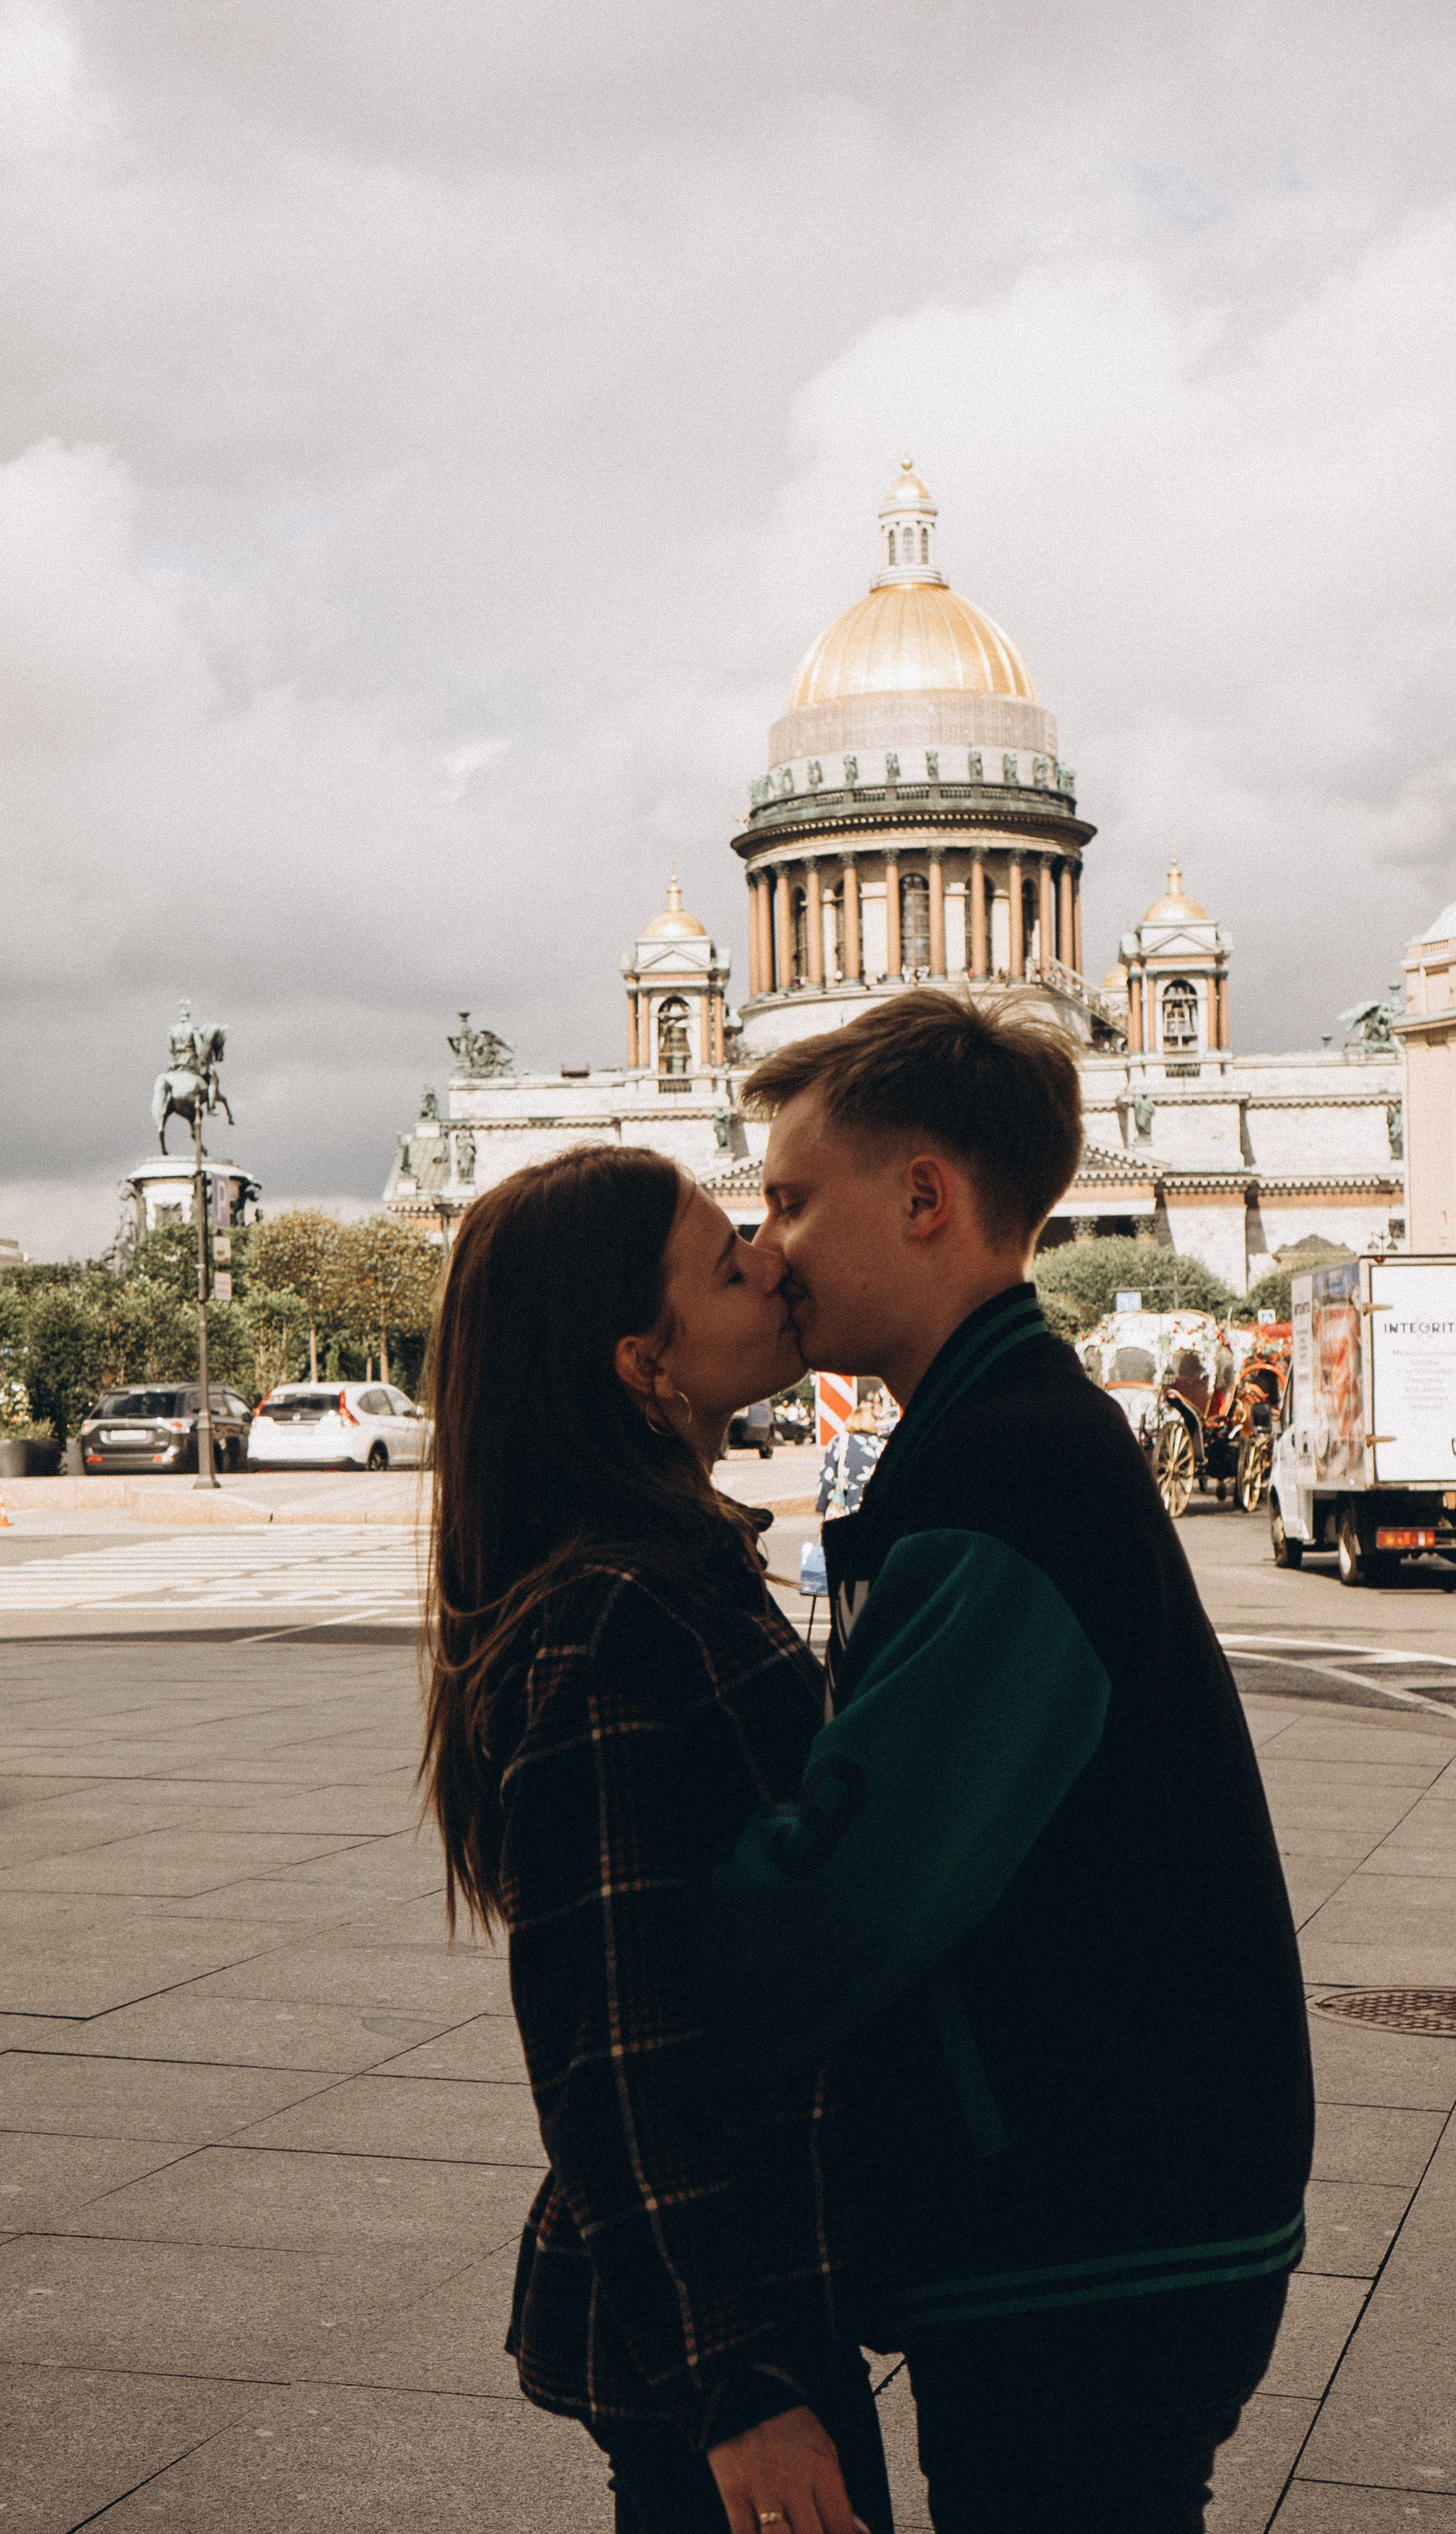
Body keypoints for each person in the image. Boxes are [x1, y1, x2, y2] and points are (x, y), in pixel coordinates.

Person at [697, 990, 1312, 2533]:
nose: (760, 1247)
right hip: (1120, 2189)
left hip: (1086, 2220)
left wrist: (652, 1950)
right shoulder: (1007, 1435)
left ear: (921, 1197)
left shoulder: (1001, 1471)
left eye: (784, 1199)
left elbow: (842, 1903)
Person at [419, 1146, 895, 2534]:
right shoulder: (611, 1616)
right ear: (644, 1366)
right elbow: (606, 2041)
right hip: (720, 2320)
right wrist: (733, 2389)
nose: (768, 1256)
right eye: (721, 1258)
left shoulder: (658, 1568)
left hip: (746, 2285)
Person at [815, 1400, 886, 1520]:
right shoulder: (883, 1445)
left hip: (848, 1510)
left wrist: (822, 1506)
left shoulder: (840, 1442)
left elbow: (828, 1478)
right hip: (877, 1511)